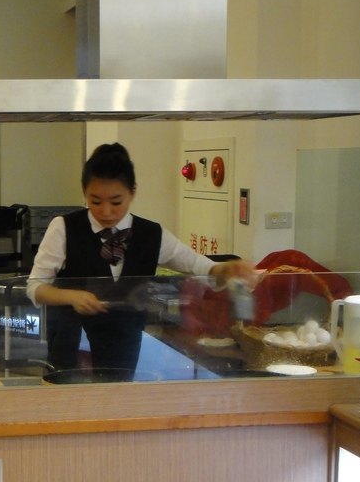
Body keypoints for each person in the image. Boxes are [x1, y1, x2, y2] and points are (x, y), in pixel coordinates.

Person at [27, 142, 256, 373]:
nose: (106, 211)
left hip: (126, 348)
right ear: (84, 192)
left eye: (116, 202)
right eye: (95, 201)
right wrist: (71, 296)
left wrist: (228, 269)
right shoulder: (64, 228)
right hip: (70, 347)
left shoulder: (151, 234)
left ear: (133, 191)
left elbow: (200, 266)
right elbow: (35, 287)